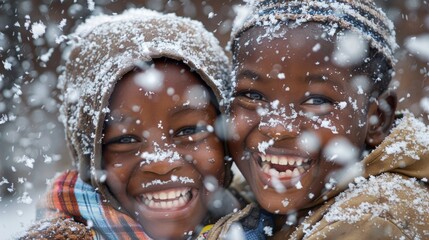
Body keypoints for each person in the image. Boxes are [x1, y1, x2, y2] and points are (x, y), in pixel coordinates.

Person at [206, 0, 429, 239]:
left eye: (317, 101)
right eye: (253, 95)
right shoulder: (256, 201)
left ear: (376, 118)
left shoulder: (374, 220)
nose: (277, 126)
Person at [19, 7, 237, 239]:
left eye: (189, 130)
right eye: (126, 139)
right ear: (90, 158)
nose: (162, 162)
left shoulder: (257, 224)